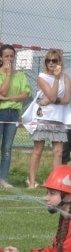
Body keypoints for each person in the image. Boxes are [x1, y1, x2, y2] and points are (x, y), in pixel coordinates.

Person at [27, 49, 71, 190]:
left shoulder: (66, 78)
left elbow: (66, 99)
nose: (51, 63)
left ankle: (55, 183)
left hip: (58, 118)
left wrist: (49, 100)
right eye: (48, 60)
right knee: (38, 150)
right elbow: (52, 94)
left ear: (59, 62)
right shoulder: (42, 77)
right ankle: (32, 182)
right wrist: (55, 79)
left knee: (58, 152)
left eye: (54, 60)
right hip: (43, 116)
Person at [0, 44, 32, 188]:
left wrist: (8, 99)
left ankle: (3, 179)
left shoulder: (20, 75)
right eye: (6, 56)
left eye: (11, 56)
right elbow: (2, 91)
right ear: (1, 58)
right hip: (1, 112)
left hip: (13, 114)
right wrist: (7, 74)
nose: (9, 59)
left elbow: (25, 94)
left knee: (7, 148)